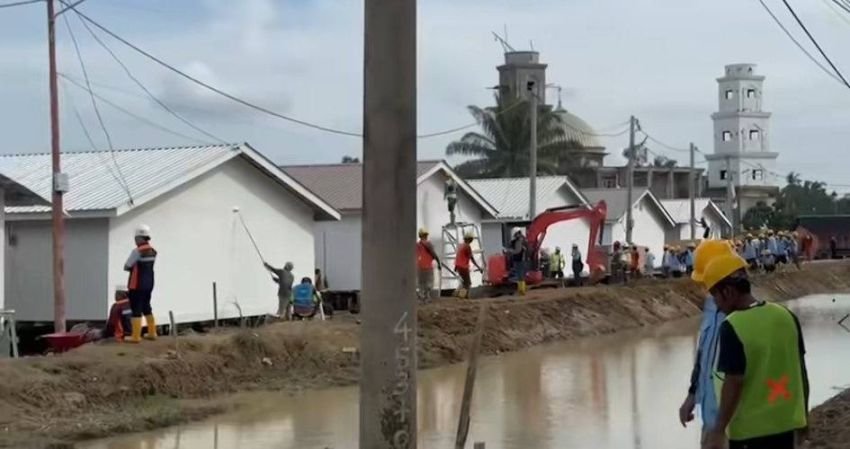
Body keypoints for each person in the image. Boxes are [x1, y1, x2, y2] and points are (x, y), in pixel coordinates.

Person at [702, 253, 809, 449]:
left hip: (750, 432)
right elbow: (801, 371)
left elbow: (734, 382)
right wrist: (804, 418)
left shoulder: (732, 325)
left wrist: (718, 430)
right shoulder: (786, 316)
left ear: (728, 291)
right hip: (787, 425)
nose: (715, 303)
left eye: (714, 295)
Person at [678, 240, 732, 448]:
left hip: (732, 422)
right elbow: (703, 355)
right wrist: (692, 394)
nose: (704, 286)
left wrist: (721, 427)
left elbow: (738, 376)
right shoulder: (711, 305)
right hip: (711, 417)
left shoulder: (743, 311)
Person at [124, 224, 157, 343]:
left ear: (139, 238)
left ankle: (136, 336)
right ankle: (152, 333)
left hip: (136, 284)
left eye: (136, 238)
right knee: (147, 307)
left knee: (136, 308)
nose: (135, 240)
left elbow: (127, 266)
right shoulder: (153, 251)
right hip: (149, 283)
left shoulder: (137, 251)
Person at [454, 232, 482, 299]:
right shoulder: (467, 246)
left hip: (458, 266)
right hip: (463, 267)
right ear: (470, 239)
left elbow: (458, 256)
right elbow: (471, 258)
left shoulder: (460, 245)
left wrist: (455, 267)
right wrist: (479, 267)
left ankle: (457, 293)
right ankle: (463, 296)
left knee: (464, 281)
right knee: (468, 283)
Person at [416, 228, 441, 302]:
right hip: (427, 266)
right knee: (429, 282)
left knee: (421, 282)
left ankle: (421, 297)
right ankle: (426, 296)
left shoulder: (417, 244)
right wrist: (438, 262)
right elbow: (434, 254)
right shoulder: (428, 243)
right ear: (426, 235)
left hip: (419, 266)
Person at [508, 228, 528, 295]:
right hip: (520, 260)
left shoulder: (519, 241)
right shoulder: (522, 240)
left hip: (519, 260)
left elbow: (517, 251)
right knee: (520, 276)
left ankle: (521, 291)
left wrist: (510, 251)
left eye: (516, 234)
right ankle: (521, 290)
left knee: (520, 276)